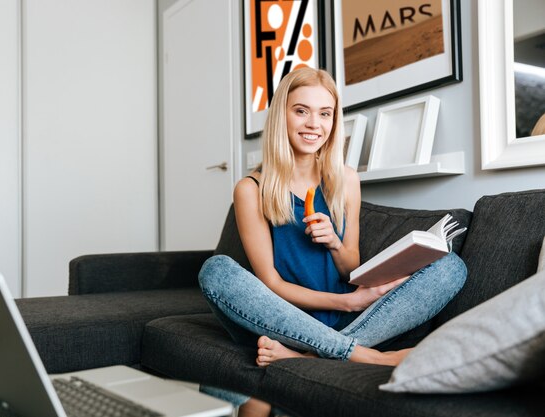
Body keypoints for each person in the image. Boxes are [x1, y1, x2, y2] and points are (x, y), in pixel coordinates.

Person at [198, 68, 467, 416]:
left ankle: (309, 356)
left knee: (451, 266)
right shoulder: (251, 189)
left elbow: (351, 265)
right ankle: (365, 356)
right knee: (216, 271)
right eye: (301, 110)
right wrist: (350, 303)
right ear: (282, 115)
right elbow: (270, 283)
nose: (314, 124)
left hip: (344, 322)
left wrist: (334, 244)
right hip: (284, 319)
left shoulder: (345, 180)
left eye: (325, 113)